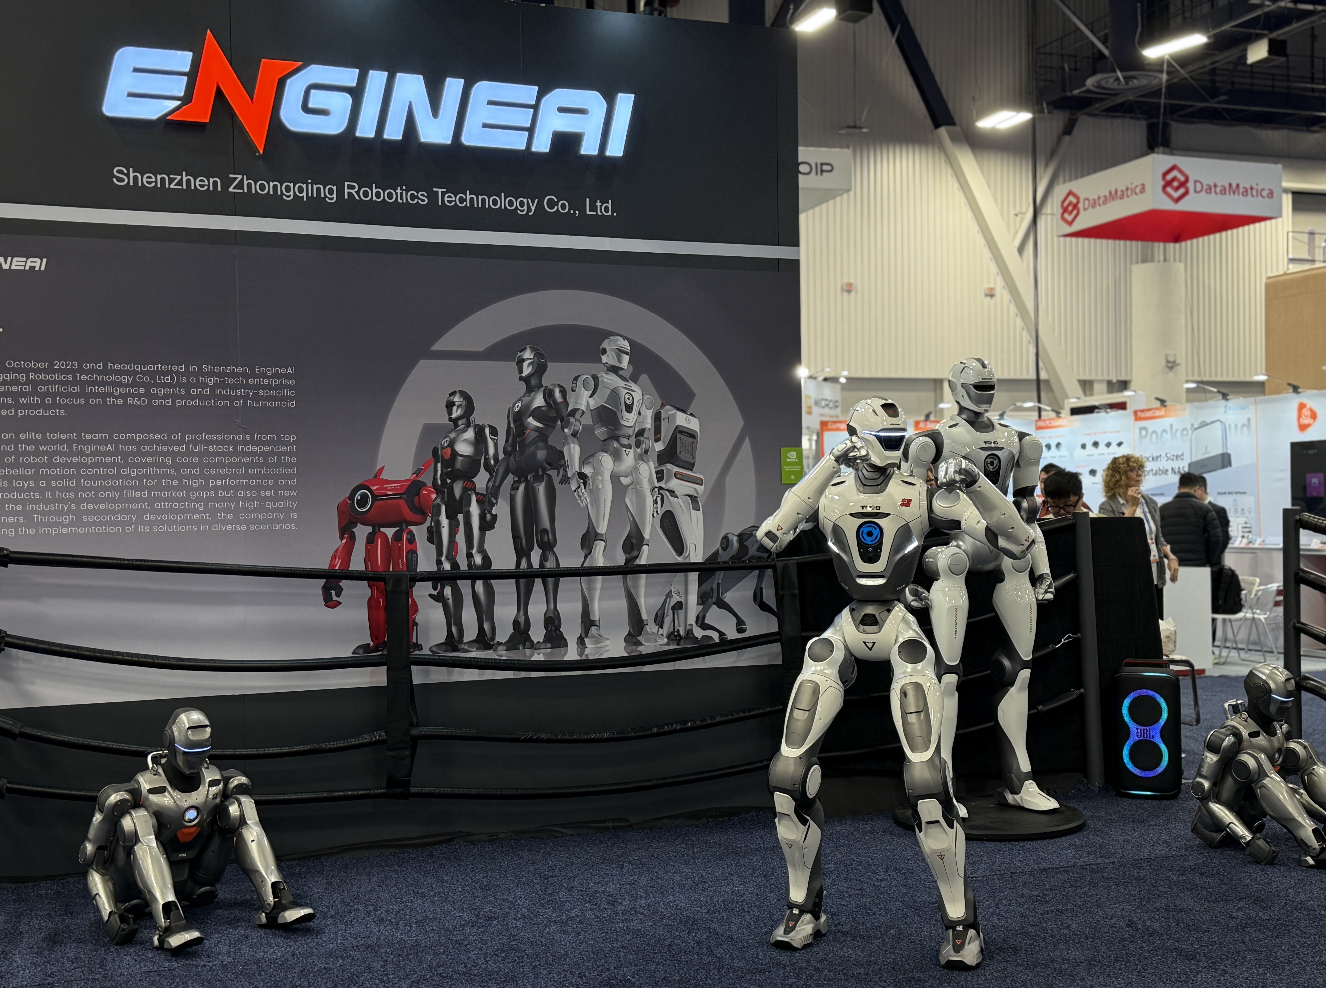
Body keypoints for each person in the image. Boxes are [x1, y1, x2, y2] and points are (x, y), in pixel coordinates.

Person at [1097, 454, 1178, 612]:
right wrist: (1132, 508)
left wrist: (1171, 557)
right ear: (1119, 475)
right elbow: (1115, 542)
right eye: (1133, 470)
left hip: (1154, 571)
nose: (1139, 473)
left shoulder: (1150, 502)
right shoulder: (1108, 507)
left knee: (1157, 621)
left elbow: (1157, 537)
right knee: (1134, 619)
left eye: (1140, 469)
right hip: (1128, 575)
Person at [1159, 471, 1224, 568]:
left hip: (1170, 565)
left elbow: (1156, 538)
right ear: (1196, 489)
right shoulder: (1205, 509)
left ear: (1178, 488)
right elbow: (1216, 538)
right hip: (1198, 565)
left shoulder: (1162, 509)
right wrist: (1209, 560)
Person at [1193, 478, 1231, 562]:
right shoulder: (1191, 511)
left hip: (1211, 563)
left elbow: (1223, 540)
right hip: (1193, 561)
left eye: (1193, 491)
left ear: (1202, 490)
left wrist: (1210, 560)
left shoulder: (1218, 511)